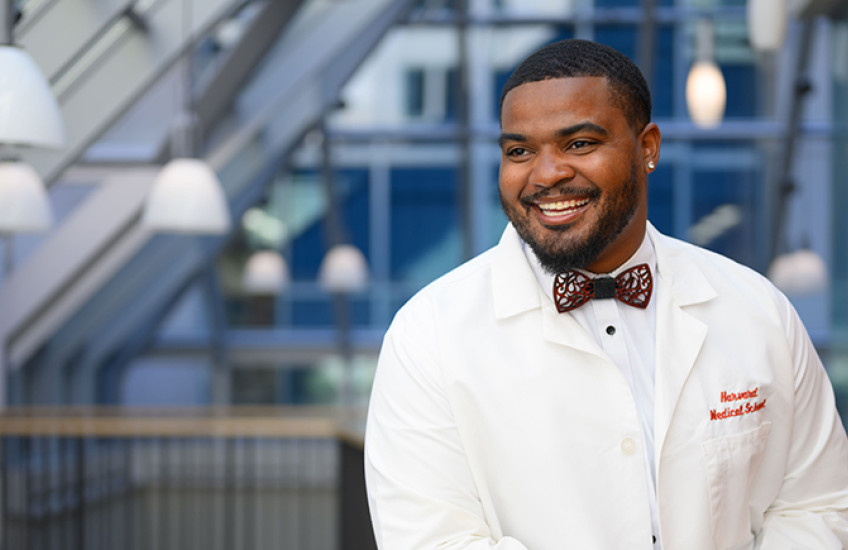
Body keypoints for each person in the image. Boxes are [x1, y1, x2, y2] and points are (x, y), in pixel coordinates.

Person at [363, 39, 848, 550]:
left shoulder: (757, 309)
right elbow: (432, 541)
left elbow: (819, 505)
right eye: (519, 151)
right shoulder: (429, 335)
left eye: (579, 144)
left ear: (647, 148)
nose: (547, 174)